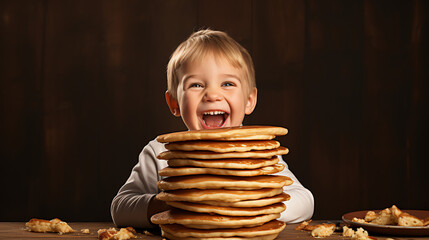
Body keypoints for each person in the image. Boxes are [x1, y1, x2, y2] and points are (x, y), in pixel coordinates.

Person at [111, 29, 314, 228]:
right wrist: (172, 203)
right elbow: (120, 208)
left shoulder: (258, 151)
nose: (212, 95)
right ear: (174, 102)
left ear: (249, 100)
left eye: (227, 83)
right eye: (196, 85)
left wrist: (250, 206)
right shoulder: (160, 152)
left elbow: (305, 201)